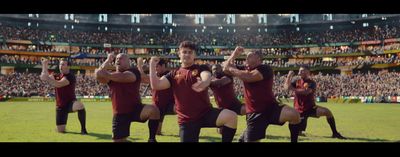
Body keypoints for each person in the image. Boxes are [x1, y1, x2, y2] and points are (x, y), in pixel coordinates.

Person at [149, 41, 237, 142]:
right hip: (187, 120)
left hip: (205, 113)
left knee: (231, 117)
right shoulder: (173, 74)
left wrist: (204, 82)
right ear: (179, 54)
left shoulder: (201, 68)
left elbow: (206, 75)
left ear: (194, 54)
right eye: (184, 52)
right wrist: (152, 66)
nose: (187, 54)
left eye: (190, 52)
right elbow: (156, 85)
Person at [223, 46, 301, 143]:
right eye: (246, 56)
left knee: (294, 115)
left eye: (250, 56)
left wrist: (231, 68)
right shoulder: (244, 68)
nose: (246, 58)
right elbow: (225, 69)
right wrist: (234, 55)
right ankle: (244, 137)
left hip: (271, 107)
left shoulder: (265, 68)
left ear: (258, 58)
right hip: (255, 112)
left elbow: (249, 77)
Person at [95, 53, 160, 142]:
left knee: (154, 110)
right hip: (120, 113)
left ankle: (152, 139)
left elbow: (126, 77)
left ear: (128, 62)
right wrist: (108, 60)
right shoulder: (112, 76)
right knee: (118, 141)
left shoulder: (134, 71)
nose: (118, 60)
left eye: (121, 58)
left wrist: (106, 74)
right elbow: (98, 76)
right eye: (116, 59)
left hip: (136, 109)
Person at [284, 66, 346, 139]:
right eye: (299, 71)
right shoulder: (296, 81)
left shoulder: (312, 82)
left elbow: (306, 92)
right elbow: (286, 88)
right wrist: (288, 76)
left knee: (327, 112)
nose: (299, 72)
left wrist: (293, 89)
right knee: (298, 132)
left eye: (302, 71)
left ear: (308, 72)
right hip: (299, 110)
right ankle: (300, 131)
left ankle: (335, 133)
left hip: (311, 108)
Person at [40, 58, 87, 134]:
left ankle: (83, 129)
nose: (60, 66)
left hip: (70, 103)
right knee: (61, 130)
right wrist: (44, 65)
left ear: (68, 66)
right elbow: (43, 77)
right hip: (60, 106)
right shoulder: (57, 75)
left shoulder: (70, 76)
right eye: (60, 64)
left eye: (63, 64)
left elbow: (58, 84)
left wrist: (48, 78)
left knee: (80, 105)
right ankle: (60, 128)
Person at [137, 57, 175, 135]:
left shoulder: (169, 75)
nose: (155, 68)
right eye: (154, 66)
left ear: (163, 66)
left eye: (156, 66)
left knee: (184, 109)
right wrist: (140, 67)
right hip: (157, 106)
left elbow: (146, 78)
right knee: (157, 133)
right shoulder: (155, 74)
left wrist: (140, 67)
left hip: (170, 104)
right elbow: (143, 78)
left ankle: (189, 129)